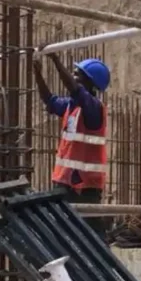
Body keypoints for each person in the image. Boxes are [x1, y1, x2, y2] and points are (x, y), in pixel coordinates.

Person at [33, 52, 111, 238]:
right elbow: (50, 101)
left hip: (85, 186)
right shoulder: (71, 106)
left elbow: (74, 88)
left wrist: (56, 61)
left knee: (88, 237)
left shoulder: (93, 108)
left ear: (90, 83)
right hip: (64, 182)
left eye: (78, 74)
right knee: (60, 234)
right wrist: (37, 73)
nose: (73, 77)